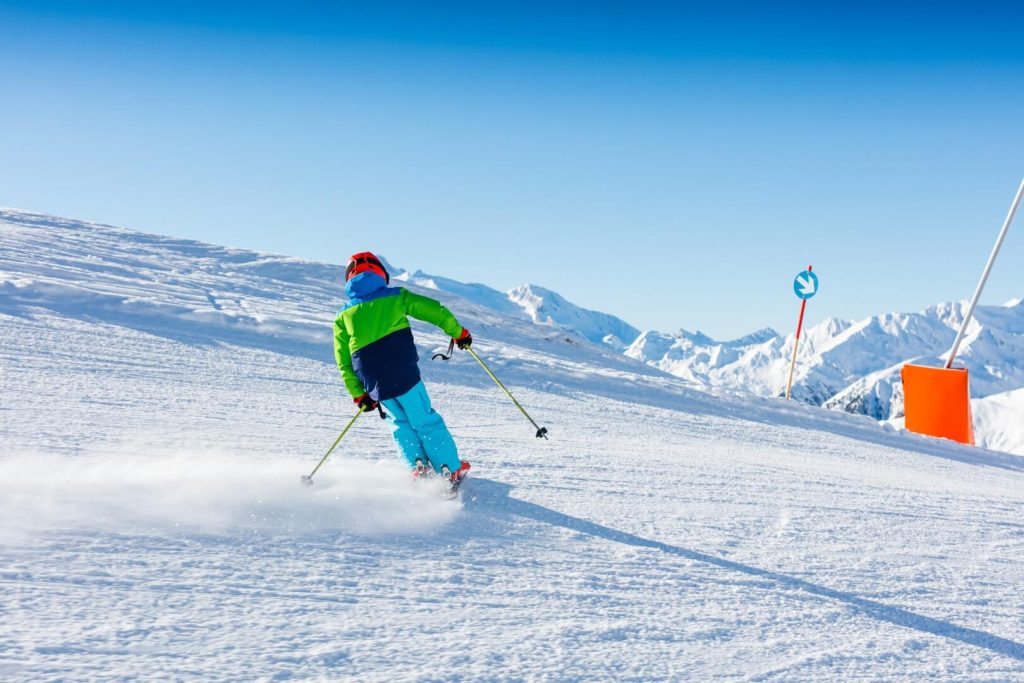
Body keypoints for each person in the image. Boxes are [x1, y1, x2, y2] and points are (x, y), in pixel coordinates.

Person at [334, 251, 472, 485]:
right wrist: (458, 333)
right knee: (424, 419)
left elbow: (343, 360)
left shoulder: (343, 315)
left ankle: (417, 466)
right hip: (402, 371)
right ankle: (448, 468)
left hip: (374, 380)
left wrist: (358, 393)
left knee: (399, 422)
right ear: (380, 273)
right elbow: (434, 311)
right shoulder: (396, 296)